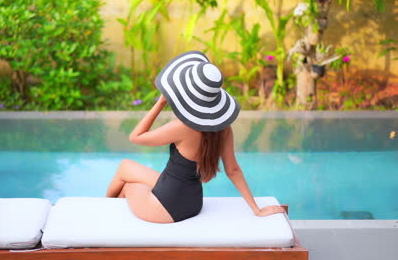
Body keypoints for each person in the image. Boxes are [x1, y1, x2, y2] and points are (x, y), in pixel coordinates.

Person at [106, 51, 285, 223]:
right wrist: (257, 209)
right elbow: (233, 170)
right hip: (193, 202)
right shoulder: (223, 128)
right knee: (126, 167)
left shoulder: (182, 127)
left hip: (166, 206)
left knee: (127, 185)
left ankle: (104, 212)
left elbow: (136, 137)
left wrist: (161, 102)